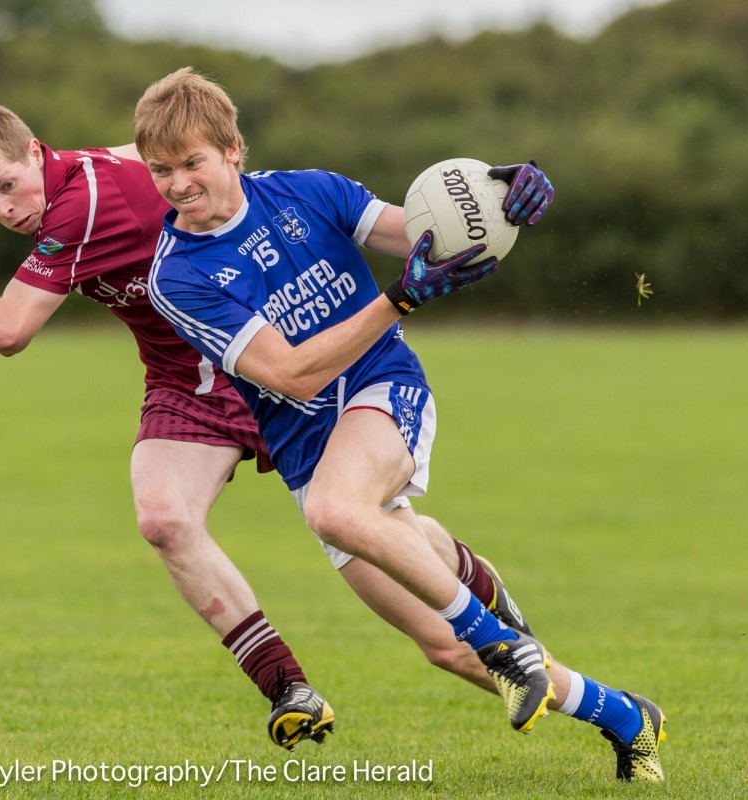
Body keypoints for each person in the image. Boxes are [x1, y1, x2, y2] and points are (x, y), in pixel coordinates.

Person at [0, 104, 547, 753]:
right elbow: (149, 148)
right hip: (186, 379)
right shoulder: (96, 165)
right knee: (163, 517)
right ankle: (288, 686)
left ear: (35, 152)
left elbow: (9, 330)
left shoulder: (77, 208)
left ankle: (513, 631)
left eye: (7, 185)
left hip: (271, 361)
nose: (4, 209)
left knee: (419, 608)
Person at [134, 67, 665, 782]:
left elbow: (425, 233)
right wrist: (401, 299)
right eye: (160, 170)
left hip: (383, 388)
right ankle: (628, 717)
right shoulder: (177, 276)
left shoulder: (309, 191)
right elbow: (290, 374)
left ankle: (499, 639)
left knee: (337, 512)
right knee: (445, 649)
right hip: (307, 451)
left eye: (191, 163)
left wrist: (504, 196)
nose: (177, 184)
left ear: (233, 149)